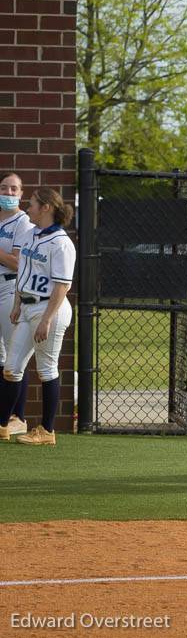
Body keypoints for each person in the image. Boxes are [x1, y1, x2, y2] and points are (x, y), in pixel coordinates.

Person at [0, 188, 75, 445]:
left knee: (46, 368)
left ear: (46, 208)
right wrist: (18, 303)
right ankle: (3, 425)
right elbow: (24, 271)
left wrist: (46, 320)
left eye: (31, 203)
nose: (27, 207)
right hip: (28, 306)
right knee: (11, 368)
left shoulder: (62, 242)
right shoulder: (32, 234)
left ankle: (47, 430)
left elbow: (62, 286)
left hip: (50, 309)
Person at [0, 172, 35, 438]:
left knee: (15, 355)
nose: (9, 193)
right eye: (4, 188)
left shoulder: (23, 222)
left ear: (21, 194)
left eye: (14, 189)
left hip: (10, 288)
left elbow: (17, 262)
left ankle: (17, 416)